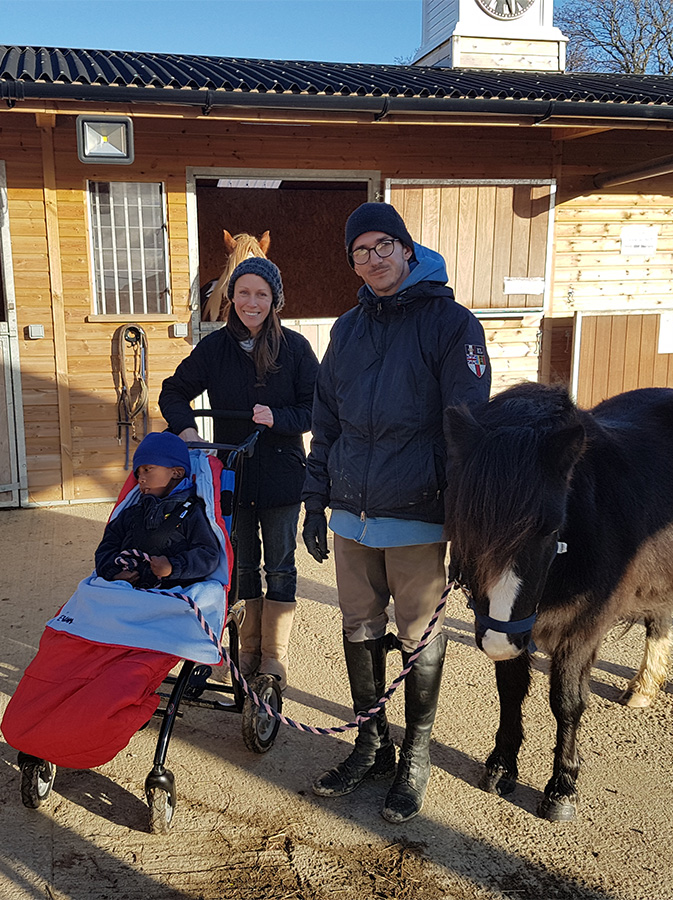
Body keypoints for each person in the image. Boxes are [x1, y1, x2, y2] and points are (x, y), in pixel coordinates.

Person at [302, 202, 491, 824]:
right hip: (351, 514)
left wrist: (461, 517)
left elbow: (466, 425)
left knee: (416, 635)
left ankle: (416, 754)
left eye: (383, 245)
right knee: (358, 625)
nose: (372, 258)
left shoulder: (451, 325)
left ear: (407, 249)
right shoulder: (347, 329)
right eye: (360, 251)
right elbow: (325, 421)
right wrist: (314, 498)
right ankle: (370, 743)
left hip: (415, 513)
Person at [159, 256, 319, 690]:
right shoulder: (214, 349)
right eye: (244, 292)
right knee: (241, 565)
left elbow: (317, 408)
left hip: (283, 476)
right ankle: (245, 653)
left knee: (280, 568)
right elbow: (173, 392)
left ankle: (274, 657)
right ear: (231, 297)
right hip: (231, 475)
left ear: (275, 300)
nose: (252, 302)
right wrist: (187, 430)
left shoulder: (295, 349)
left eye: (261, 294)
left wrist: (279, 418)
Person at [94, 430, 220, 591]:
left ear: (177, 472)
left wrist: (173, 567)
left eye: (147, 469)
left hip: (174, 591)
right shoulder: (131, 513)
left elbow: (208, 555)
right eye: (138, 473)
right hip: (128, 590)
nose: (141, 479)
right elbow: (107, 547)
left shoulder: (193, 513)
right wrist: (113, 572)